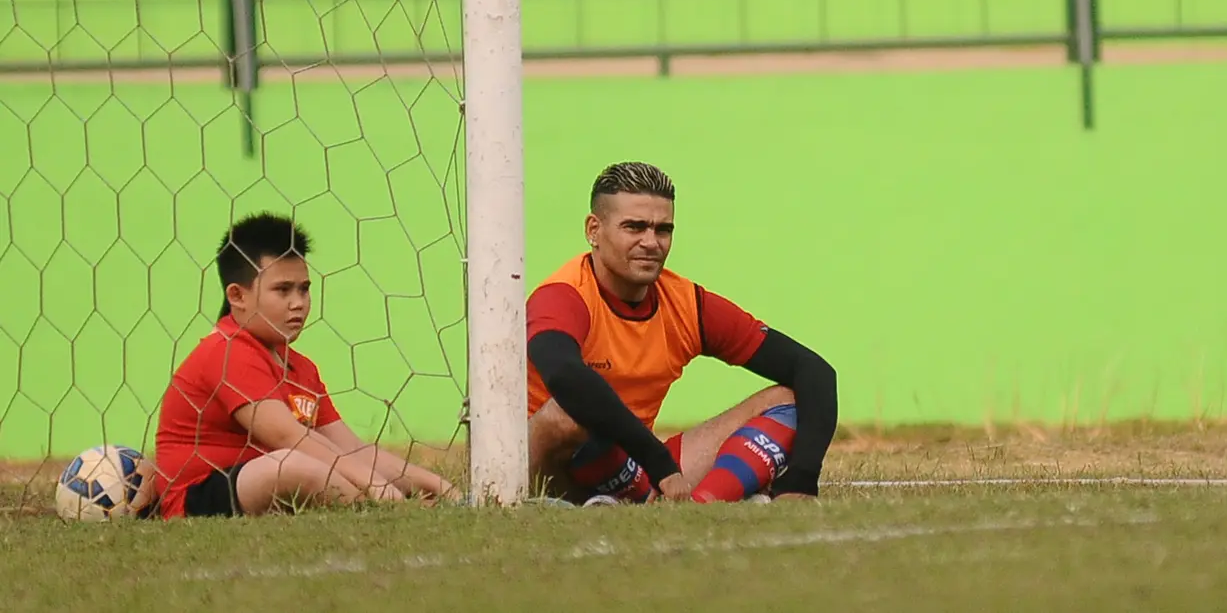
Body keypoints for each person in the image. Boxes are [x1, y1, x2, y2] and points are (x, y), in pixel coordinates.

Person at [526, 161, 839, 505]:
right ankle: (612, 499)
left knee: (788, 399)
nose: (651, 242)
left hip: (637, 471)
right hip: (553, 467)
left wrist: (801, 479)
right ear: (594, 230)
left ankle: (694, 507)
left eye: (663, 230)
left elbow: (813, 370)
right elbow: (565, 376)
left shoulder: (687, 303)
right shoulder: (563, 295)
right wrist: (659, 462)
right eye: (634, 227)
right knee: (565, 415)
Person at [152, 212, 459, 519]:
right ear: (237, 295)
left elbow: (351, 447)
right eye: (283, 290)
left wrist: (442, 487)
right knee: (291, 464)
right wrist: (375, 487)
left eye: (304, 288)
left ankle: (415, 503)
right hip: (198, 496)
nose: (298, 302)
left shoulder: (301, 367)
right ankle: (382, 510)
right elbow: (288, 437)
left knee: (321, 460)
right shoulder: (225, 350)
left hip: (261, 479)